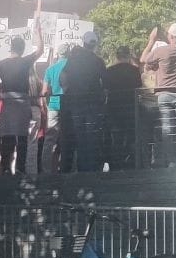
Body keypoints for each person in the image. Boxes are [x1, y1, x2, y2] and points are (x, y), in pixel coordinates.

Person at [0, 21, 44, 176]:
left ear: (11, 48)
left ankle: (5, 168)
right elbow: (40, 51)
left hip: (7, 104)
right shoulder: (25, 61)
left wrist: (0, 93)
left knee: (7, 136)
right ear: (22, 49)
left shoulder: (1, 64)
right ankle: (20, 169)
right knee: (22, 137)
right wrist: (38, 32)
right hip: (22, 103)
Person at [141, 23, 176, 167]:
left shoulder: (160, 51)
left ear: (170, 36)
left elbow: (143, 59)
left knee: (167, 130)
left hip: (163, 94)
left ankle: (171, 162)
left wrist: (151, 40)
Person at [60, 31, 107, 172]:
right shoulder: (98, 61)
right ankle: (90, 168)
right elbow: (105, 83)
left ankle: (80, 168)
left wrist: (67, 89)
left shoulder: (72, 60)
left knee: (79, 135)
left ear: (84, 43)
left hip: (75, 103)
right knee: (92, 137)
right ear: (95, 44)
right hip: (93, 104)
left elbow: (63, 76)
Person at [104, 46, 142, 170]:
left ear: (117, 56)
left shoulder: (109, 70)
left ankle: (116, 164)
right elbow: (139, 87)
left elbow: (105, 88)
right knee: (131, 136)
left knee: (116, 137)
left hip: (114, 108)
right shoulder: (134, 70)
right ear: (128, 55)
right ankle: (130, 163)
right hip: (130, 107)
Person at [40, 45, 70, 173]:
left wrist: (45, 104)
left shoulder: (50, 69)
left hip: (53, 103)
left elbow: (44, 91)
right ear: (68, 53)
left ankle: (46, 169)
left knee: (50, 138)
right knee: (69, 135)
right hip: (68, 103)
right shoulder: (72, 67)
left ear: (58, 54)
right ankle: (68, 168)